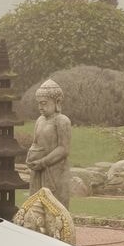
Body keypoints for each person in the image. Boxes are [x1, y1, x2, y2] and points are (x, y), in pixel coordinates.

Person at [25, 79, 74, 207]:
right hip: (38, 170)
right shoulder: (39, 120)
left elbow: (63, 149)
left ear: (57, 102)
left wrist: (43, 162)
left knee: (55, 207)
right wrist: (31, 158)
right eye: (39, 104)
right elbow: (35, 143)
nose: (40, 107)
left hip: (55, 170)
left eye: (44, 103)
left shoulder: (62, 121)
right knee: (35, 206)